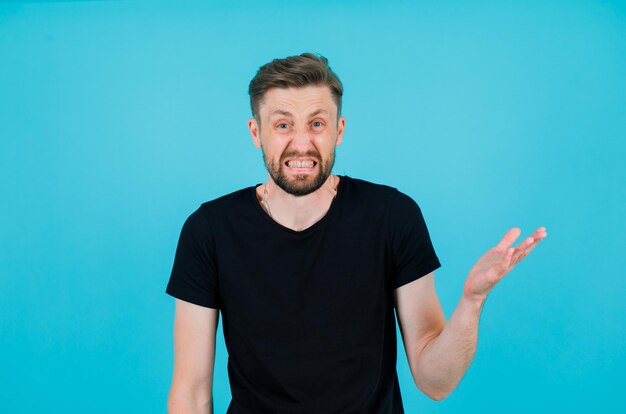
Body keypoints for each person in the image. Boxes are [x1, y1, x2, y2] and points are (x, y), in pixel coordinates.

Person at [165, 53, 547, 414]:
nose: (301, 143)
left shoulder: (392, 217)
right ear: (256, 133)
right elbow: (191, 395)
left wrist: (471, 301)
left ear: (339, 130)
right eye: (283, 125)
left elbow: (436, 383)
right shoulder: (209, 231)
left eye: (317, 123)